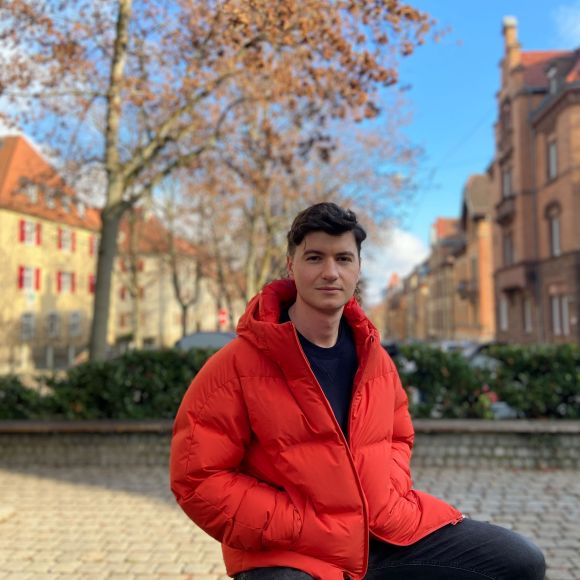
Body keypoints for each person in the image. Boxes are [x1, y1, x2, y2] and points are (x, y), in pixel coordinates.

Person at [170, 202, 546, 580]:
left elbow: (398, 437)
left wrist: (385, 493)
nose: (330, 272)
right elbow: (198, 477)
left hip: (381, 533)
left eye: (344, 258)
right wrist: (297, 523)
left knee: (521, 561)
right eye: (314, 257)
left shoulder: (376, 360)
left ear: (358, 269)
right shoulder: (234, 366)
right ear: (291, 266)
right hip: (293, 550)